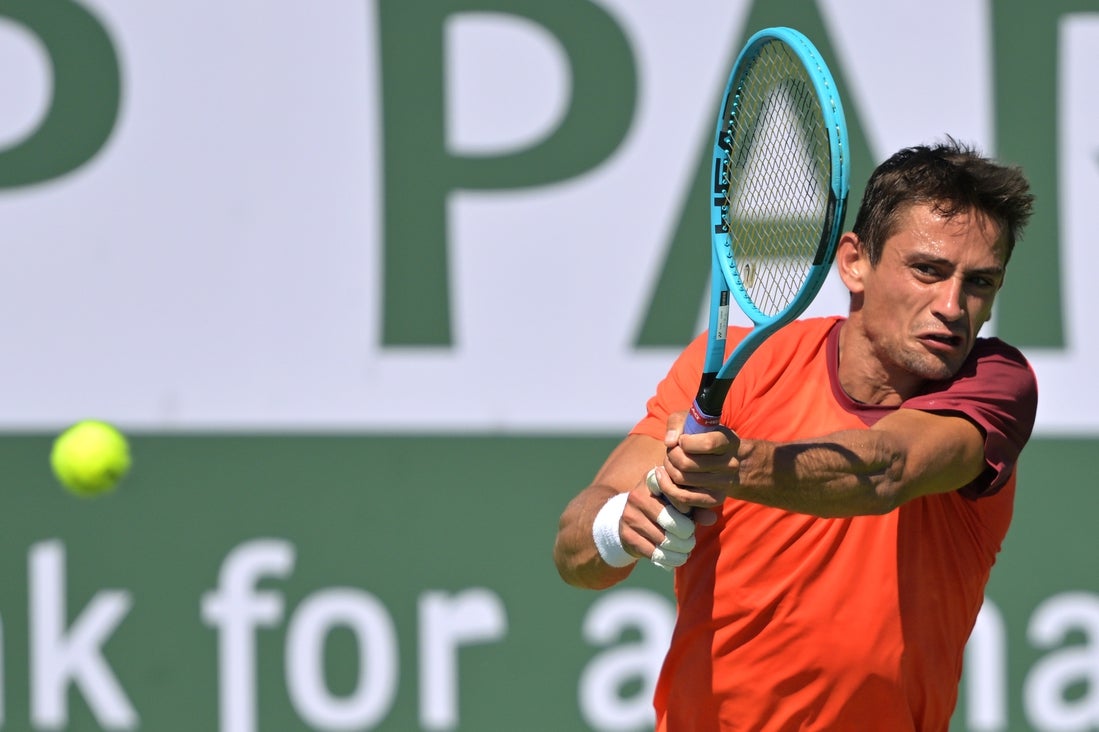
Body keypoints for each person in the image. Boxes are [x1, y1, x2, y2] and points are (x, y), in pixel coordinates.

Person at [553, 139, 1037, 731]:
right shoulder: (735, 369)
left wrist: (731, 467)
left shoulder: (995, 386)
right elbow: (575, 555)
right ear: (854, 262)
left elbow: (885, 468)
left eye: (980, 282)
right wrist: (619, 525)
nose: (953, 306)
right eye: (928, 271)